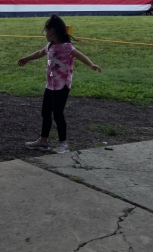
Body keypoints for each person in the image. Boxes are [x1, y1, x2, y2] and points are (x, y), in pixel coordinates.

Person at [18, 14, 101, 154]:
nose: (45, 34)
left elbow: (79, 55)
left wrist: (91, 64)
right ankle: (43, 141)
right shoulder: (50, 46)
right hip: (50, 85)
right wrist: (27, 58)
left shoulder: (66, 46)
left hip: (62, 86)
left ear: (53, 31)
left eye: (46, 31)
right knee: (45, 112)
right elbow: (40, 53)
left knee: (58, 114)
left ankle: (63, 144)